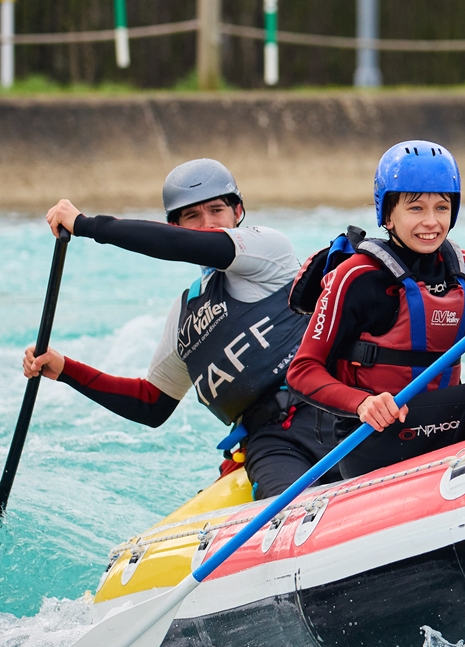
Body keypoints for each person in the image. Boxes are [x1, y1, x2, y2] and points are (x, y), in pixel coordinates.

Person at [22, 159, 337, 499]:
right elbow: (151, 404)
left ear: (238, 212)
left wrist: (88, 225)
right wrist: (66, 369)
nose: (207, 224)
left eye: (217, 210)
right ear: (175, 224)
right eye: (192, 217)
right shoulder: (183, 318)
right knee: (285, 516)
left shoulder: (267, 250)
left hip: (331, 403)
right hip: (270, 444)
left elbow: (183, 245)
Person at [285, 140, 465, 479]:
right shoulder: (356, 275)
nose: (431, 222)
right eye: (416, 209)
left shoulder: (460, 266)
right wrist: (362, 403)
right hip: (373, 438)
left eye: (442, 207)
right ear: (388, 216)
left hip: (442, 422)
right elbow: (302, 371)